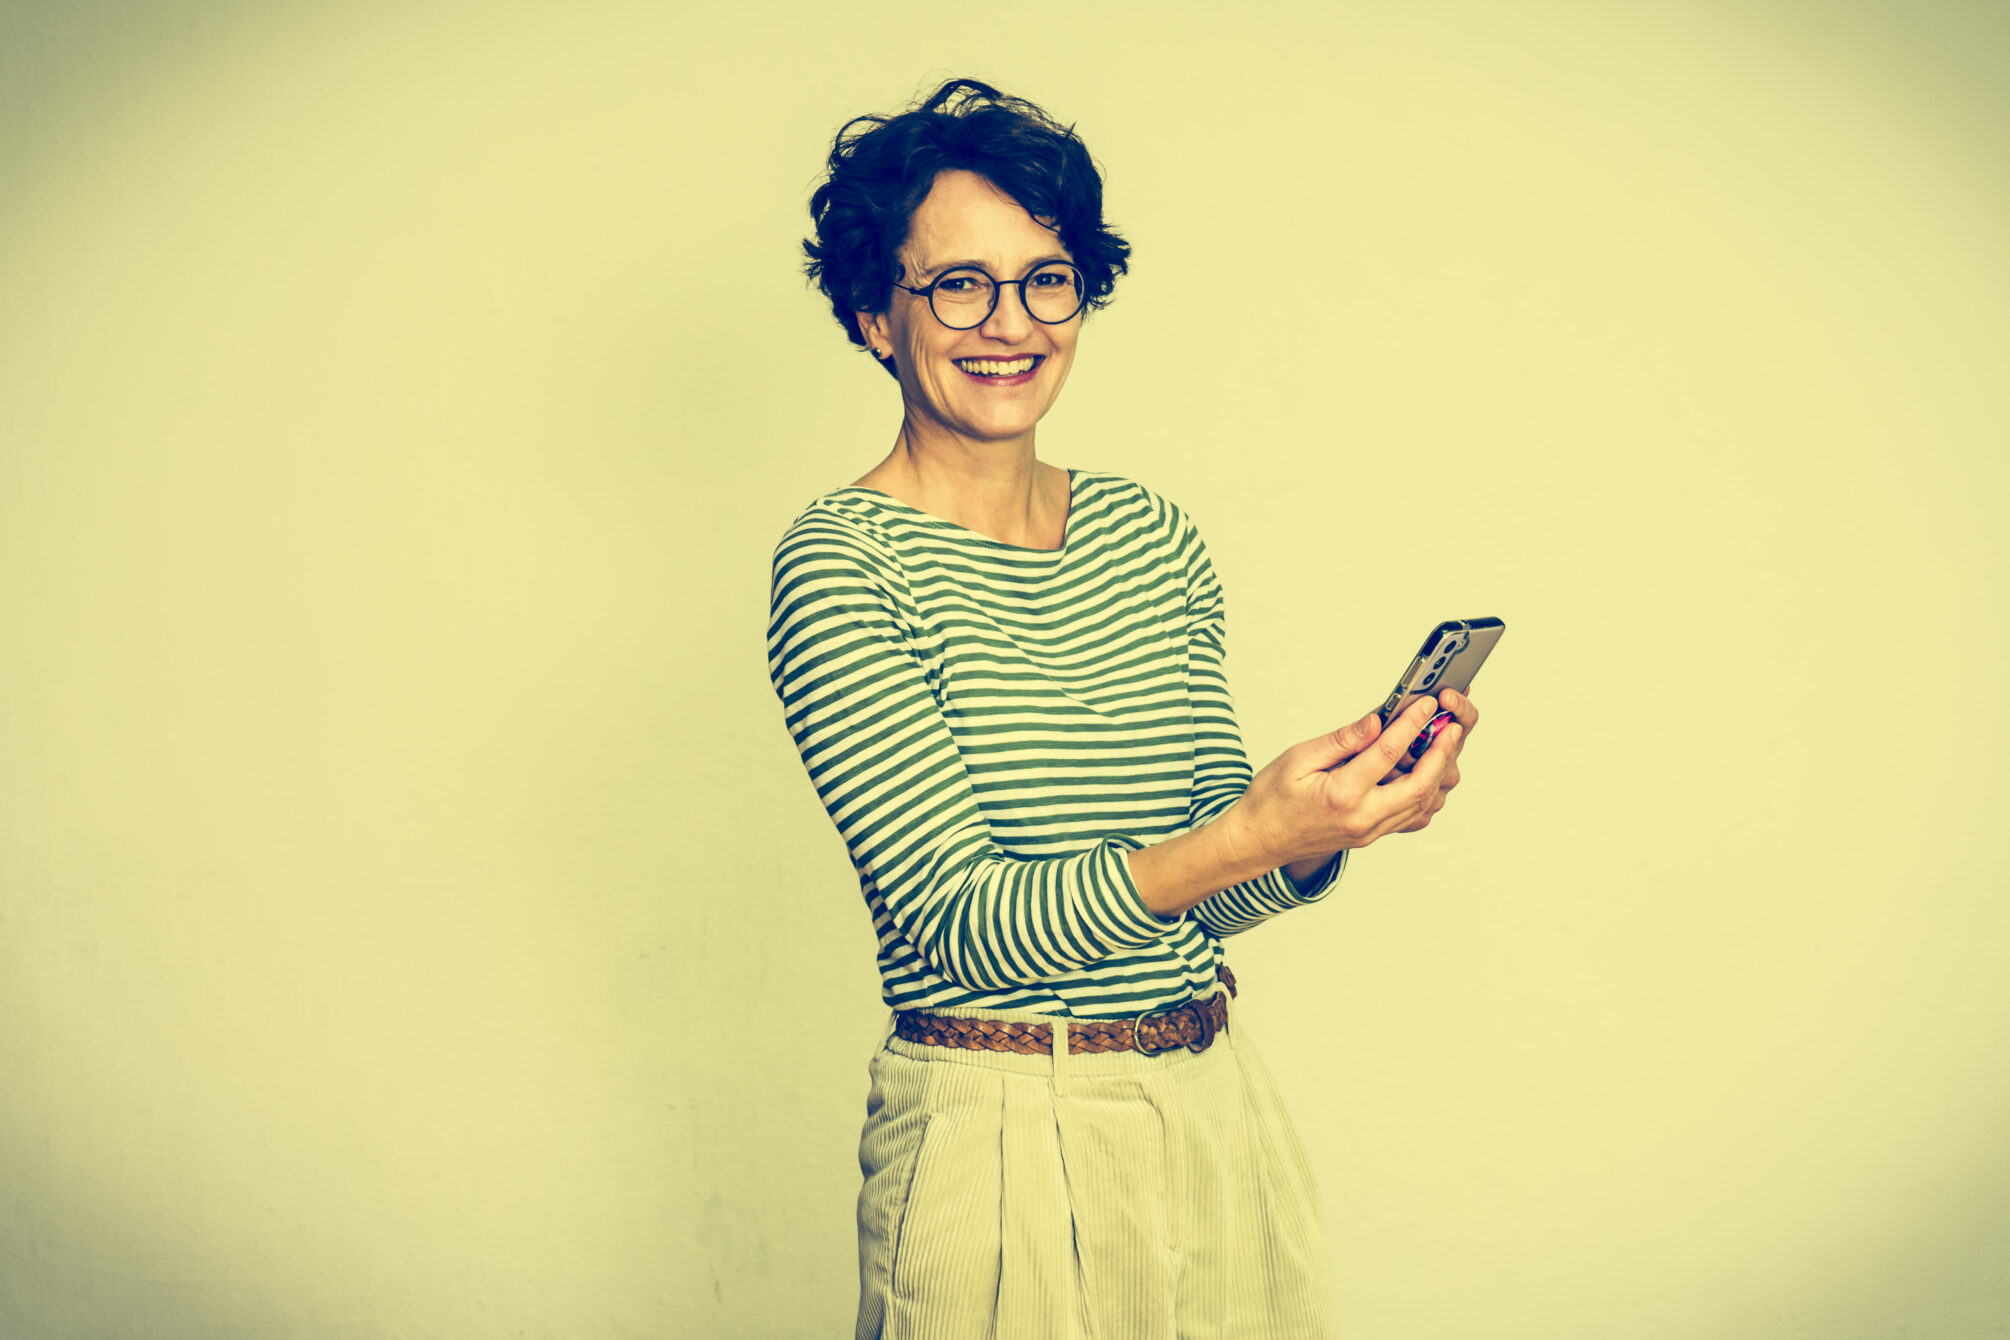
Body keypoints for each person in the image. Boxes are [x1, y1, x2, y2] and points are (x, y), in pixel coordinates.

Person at [769, 77, 1479, 1340]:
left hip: (1214, 1105)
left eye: (1047, 277)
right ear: (877, 313)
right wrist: (1248, 833)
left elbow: (1209, 887)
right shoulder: (843, 562)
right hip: (999, 1132)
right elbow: (960, 927)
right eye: (957, 284)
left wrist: (1323, 825)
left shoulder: (1151, 536)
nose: (1011, 322)